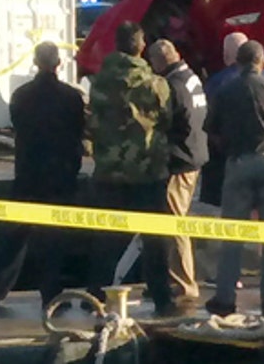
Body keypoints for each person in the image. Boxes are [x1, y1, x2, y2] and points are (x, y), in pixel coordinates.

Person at [85, 22, 180, 317]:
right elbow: (168, 120)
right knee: (155, 241)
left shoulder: (99, 82)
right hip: (147, 172)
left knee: (106, 240)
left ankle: (94, 296)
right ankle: (163, 299)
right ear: (141, 46)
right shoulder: (156, 84)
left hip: (109, 171)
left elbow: (91, 122)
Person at [0, 42, 85, 316]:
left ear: (35, 62)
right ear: (59, 64)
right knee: (54, 239)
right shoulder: (72, 97)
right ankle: (51, 296)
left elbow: (19, 127)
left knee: (18, 234)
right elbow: (78, 132)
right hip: (61, 174)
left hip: (28, 172)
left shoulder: (21, 95)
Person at [203, 40, 264, 318]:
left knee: (233, 234)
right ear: (263, 61)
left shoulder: (225, 90)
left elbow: (212, 131)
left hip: (239, 162)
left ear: (238, 63)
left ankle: (225, 298)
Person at [147, 39, 208, 304]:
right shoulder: (191, 77)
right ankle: (177, 278)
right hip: (194, 155)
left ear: (159, 63)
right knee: (176, 218)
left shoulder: (173, 85)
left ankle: (184, 284)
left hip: (180, 160)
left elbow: (169, 122)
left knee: (175, 222)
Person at [200, 32, 264, 207]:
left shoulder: (217, 84)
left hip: (232, 160)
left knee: (235, 213)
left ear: (227, 55)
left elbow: (209, 126)